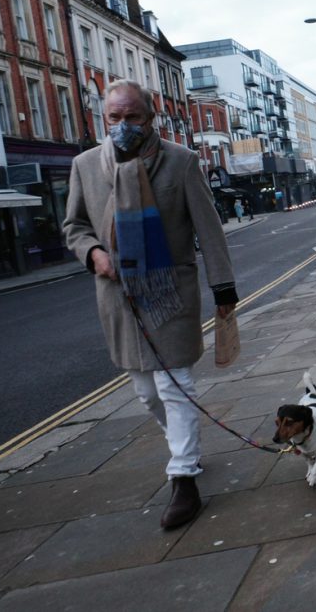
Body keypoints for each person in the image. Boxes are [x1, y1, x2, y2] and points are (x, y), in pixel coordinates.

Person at [63, 80, 237, 530]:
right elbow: (74, 226)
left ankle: (183, 477)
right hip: (118, 298)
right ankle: (185, 447)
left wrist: (223, 289)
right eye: (113, 119)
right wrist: (94, 253)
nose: (123, 127)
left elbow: (209, 228)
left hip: (169, 294)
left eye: (132, 117)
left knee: (175, 386)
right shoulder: (84, 165)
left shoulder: (181, 162)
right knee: (145, 393)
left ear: (151, 115)